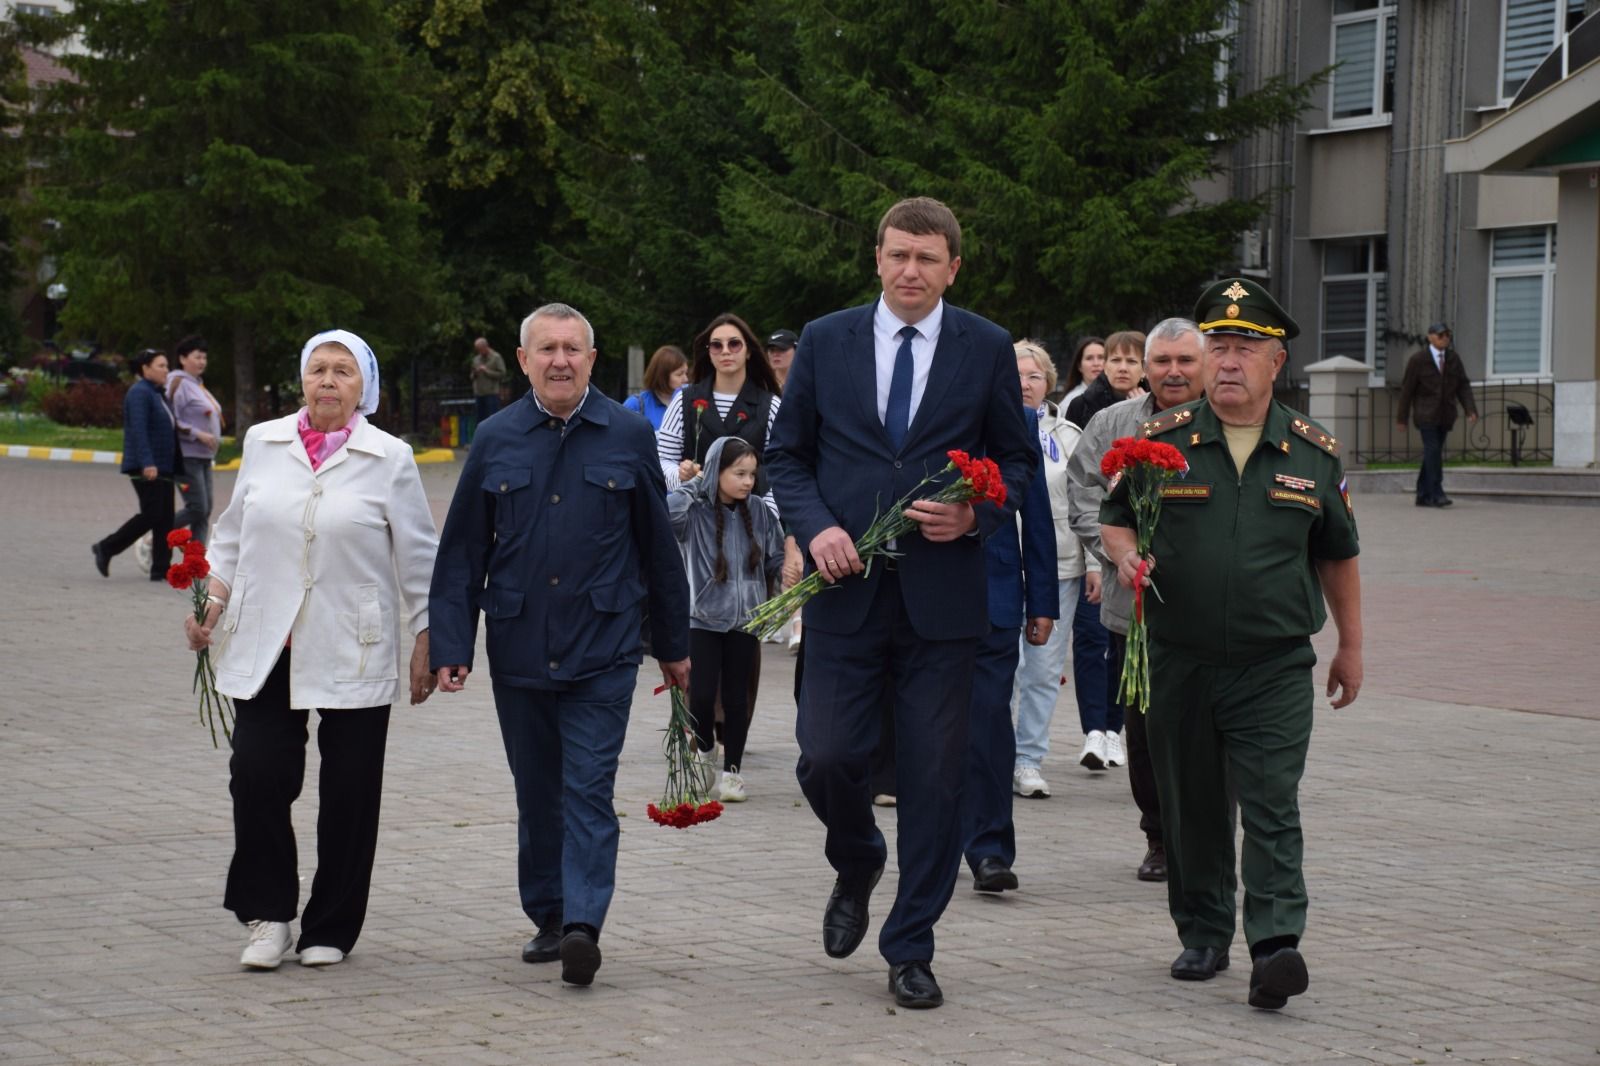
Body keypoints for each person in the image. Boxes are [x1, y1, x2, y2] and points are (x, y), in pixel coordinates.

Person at [767, 196, 1036, 1010]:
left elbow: (1016, 465)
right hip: (846, 595)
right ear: (877, 260)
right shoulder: (826, 339)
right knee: (826, 756)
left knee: (934, 778)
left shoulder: (985, 347)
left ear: (953, 266)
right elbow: (788, 456)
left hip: (942, 604)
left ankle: (910, 945)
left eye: (926, 257)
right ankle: (856, 858)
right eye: (897, 255)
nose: (910, 270)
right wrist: (815, 531)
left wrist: (975, 514)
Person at [1100, 280, 1362, 1011]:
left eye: (1245, 348)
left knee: (1272, 802)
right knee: (1193, 804)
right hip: (1180, 658)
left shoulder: (1313, 454)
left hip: (1274, 662)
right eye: (1219, 346)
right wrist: (1123, 556)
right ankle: (1205, 931)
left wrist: (1352, 647)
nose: (1226, 362)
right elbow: (1114, 516)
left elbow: (1338, 555)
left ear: (1276, 362)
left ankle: (1275, 944)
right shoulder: (1163, 442)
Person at [429, 302, 690, 989]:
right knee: (538, 791)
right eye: (547, 349)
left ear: (591, 360)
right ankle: (548, 914)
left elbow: (658, 550)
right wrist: (453, 641)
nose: (561, 360)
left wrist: (673, 643)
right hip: (518, 648)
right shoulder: (496, 437)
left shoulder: (629, 436)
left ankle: (583, 925)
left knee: (587, 789)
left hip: (604, 647)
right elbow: (461, 553)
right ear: (523, 361)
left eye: (573, 348)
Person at [183, 329, 438, 971]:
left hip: (353, 640)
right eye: (318, 368)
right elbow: (233, 533)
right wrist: (210, 600)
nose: (328, 380)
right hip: (271, 639)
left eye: (343, 371)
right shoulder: (265, 443)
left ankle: (331, 925)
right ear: (302, 380)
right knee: (258, 776)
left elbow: (417, 557)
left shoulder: (390, 457)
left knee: (350, 791)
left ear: (364, 388)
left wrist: (429, 637)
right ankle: (268, 916)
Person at [1067, 317, 1206, 882]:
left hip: (1207, 609)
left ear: (1204, 364)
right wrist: (1114, 552)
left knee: (1204, 730)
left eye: (1185, 361)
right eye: (1162, 361)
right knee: (1144, 730)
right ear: (1144, 368)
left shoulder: (1225, 420)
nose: (1173, 372)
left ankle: (1204, 835)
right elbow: (1081, 494)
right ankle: (1158, 836)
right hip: (1135, 609)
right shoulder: (1113, 422)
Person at [961, 404, 1057, 893]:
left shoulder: (1016, 418)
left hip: (994, 597)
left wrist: (1041, 599)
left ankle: (990, 850)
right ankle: (931, 841)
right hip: (915, 596)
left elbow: (1034, 509)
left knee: (989, 724)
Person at [667, 436, 785, 802]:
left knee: (737, 700)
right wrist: (694, 485)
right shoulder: (695, 510)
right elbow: (666, 515)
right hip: (702, 618)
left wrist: (787, 578)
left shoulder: (760, 512)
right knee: (700, 697)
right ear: (717, 471)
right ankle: (704, 751)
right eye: (739, 473)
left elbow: (775, 555)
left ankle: (732, 774)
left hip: (746, 622)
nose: (748, 482)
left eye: (752, 474)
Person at [1010, 340, 1099, 800]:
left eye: (1033, 376)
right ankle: (998, 754)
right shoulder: (989, 427)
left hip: (1060, 566)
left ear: (1048, 382)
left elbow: (1087, 499)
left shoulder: (1067, 435)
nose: (1024, 384)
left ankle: (1028, 760)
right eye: (1016, 374)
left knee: (1043, 669)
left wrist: (1094, 561)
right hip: (1004, 566)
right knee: (1005, 666)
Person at [655, 313, 782, 503]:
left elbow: (782, 469)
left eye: (734, 344)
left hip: (751, 521)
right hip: (694, 519)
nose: (725, 351)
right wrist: (681, 476)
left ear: (748, 351)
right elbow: (662, 461)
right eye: (716, 345)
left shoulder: (771, 405)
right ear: (709, 352)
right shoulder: (684, 400)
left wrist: (765, 519)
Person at [92, 348, 177, 582]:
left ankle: (161, 569)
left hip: (164, 465)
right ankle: (107, 547)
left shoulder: (158, 393)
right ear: (145, 369)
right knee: (152, 514)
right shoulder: (139, 393)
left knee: (165, 518)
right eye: (161, 366)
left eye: (167, 366)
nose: (166, 370)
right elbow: (138, 431)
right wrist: (147, 462)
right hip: (146, 466)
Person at [1396, 322, 1478, 508]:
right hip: (1426, 414)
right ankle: (1436, 492)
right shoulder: (1418, 360)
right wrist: (1402, 418)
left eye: (1448, 335)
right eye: (1441, 335)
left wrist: (1470, 409)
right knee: (1433, 451)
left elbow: (1463, 385)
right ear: (1430, 337)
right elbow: (1407, 390)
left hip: (1445, 414)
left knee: (1432, 454)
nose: (1445, 339)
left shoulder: (1453, 359)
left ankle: (1422, 494)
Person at [166, 335, 224, 540]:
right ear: (183, 359)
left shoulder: (197, 384)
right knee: (198, 507)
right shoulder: (178, 382)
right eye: (197, 357)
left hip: (204, 456)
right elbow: (170, 418)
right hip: (186, 456)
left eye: (204, 358)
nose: (202, 362)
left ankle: (195, 564)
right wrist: (197, 434)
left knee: (205, 510)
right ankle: (156, 534)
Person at [1065, 330, 1146, 430]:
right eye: (1115, 360)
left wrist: (1146, 414)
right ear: (1105, 366)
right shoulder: (1080, 406)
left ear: (1144, 369)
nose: (1123, 368)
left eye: (1131, 361)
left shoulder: (1158, 403)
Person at [622, 344, 688, 431]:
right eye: (679, 374)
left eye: (686, 373)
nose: (686, 379)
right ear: (662, 376)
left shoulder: (689, 402)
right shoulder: (635, 404)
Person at [469, 336, 508, 437]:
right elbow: (472, 376)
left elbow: (502, 373)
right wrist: (475, 373)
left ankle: (495, 439)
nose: (479, 352)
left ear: (486, 347)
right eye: (477, 350)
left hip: (491, 393)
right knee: (479, 419)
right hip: (479, 393)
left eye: (480, 349)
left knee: (492, 419)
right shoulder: (476, 359)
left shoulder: (496, 357)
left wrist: (486, 371)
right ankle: (480, 440)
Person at [1060, 336, 1106, 405]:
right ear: (1079, 366)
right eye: (1089, 358)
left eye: (1101, 357)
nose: (1096, 363)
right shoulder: (1072, 401)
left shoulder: (1122, 396)